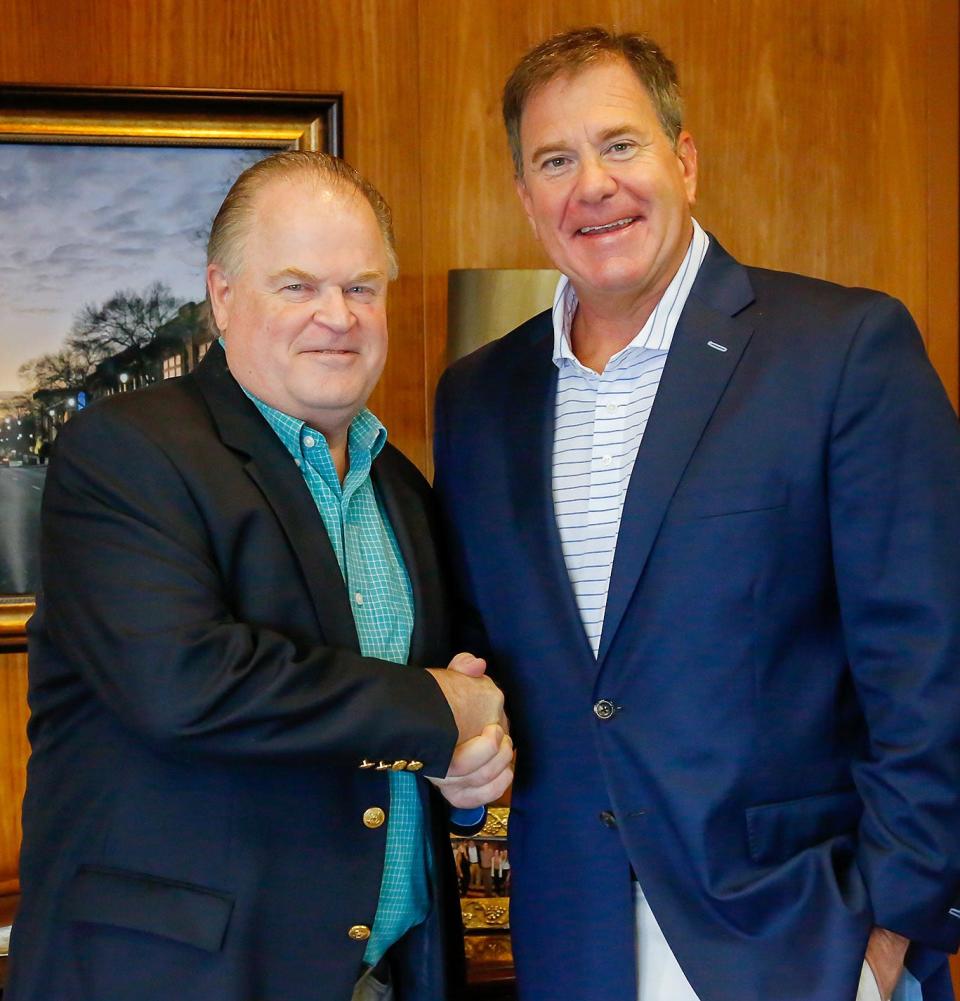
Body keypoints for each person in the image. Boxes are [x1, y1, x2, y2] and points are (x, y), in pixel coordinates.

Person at [433, 26, 960, 1001]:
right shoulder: (477, 397)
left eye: (621, 144)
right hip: (572, 940)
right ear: (525, 197)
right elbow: (491, 659)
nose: (592, 184)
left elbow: (932, 662)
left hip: (801, 934)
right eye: (556, 159)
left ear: (685, 161)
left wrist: (892, 929)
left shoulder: (843, 349)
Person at [7, 150, 513, 1001]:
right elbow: (184, 683)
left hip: (382, 973)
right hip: (178, 978)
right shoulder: (128, 450)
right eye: (297, 285)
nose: (337, 316)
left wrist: (467, 768)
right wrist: (438, 709)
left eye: (361, 287)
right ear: (223, 295)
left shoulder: (404, 489)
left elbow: (454, 709)